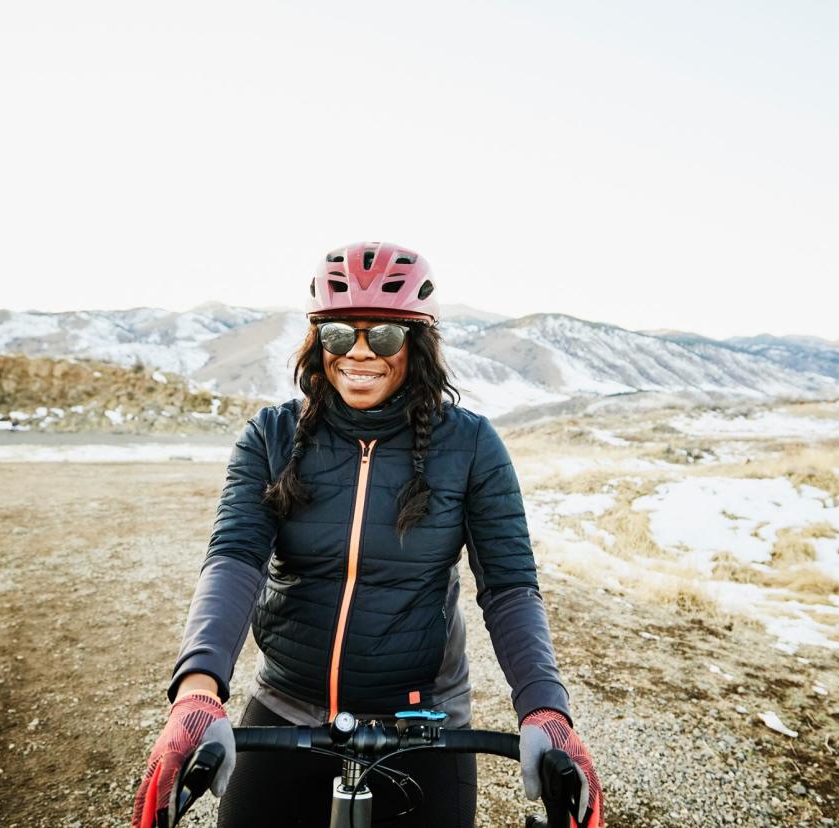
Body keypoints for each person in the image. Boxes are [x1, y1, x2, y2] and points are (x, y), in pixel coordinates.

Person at [132, 241, 604, 827]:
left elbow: (509, 586)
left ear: (417, 342)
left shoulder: (472, 446)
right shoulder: (272, 436)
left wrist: (545, 709)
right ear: (316, 342)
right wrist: (198, 690)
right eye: (337, 335)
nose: (358, 353)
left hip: (423, 719)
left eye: (382, 335)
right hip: (287, 702)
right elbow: (234, 559)